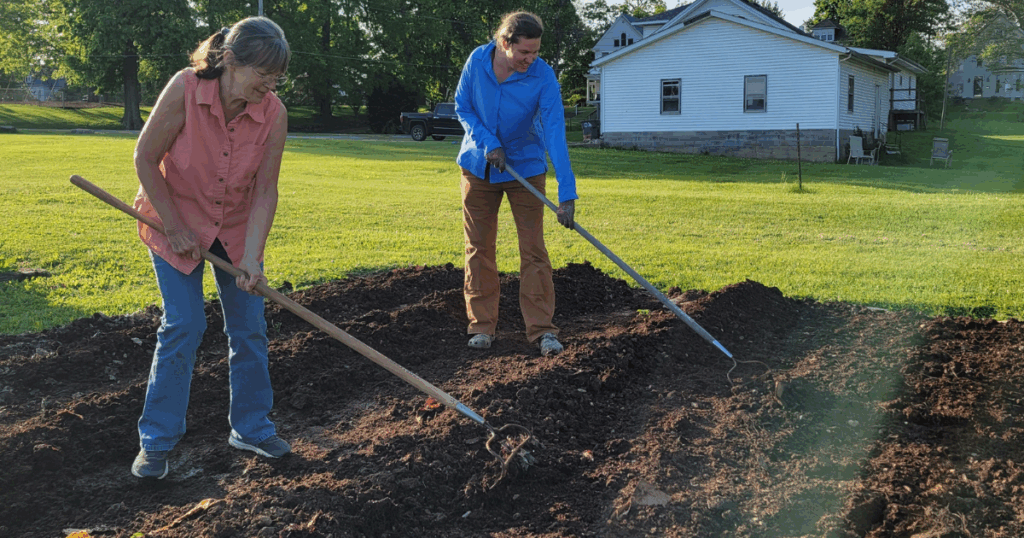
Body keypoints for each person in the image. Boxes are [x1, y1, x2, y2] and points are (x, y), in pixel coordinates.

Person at [129, 16, 291, 479]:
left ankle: (251, 428)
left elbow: (264, 191)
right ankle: (156, 443)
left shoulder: (274, 114)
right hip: (174, 217)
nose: (270, 85)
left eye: (277, 77)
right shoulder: (185, 89)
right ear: (231, 61)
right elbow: (144, 157)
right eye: (263, 74)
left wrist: (252, 258)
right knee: (183, 324)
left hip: (236, 227)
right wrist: (177, 227)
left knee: (250, 326)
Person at [455, 11, 579, 357]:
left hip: (524, 167)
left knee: (533, 250)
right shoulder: (477, 61)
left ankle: (542, 330)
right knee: (478, 247)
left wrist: (566, 193)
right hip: (478, 167)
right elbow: (463, 107)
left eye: (536, 52)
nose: (531, 59)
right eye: (525, 52)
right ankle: (481, 326)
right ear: (504, 42)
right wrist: (487, 142)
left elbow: (555, 133)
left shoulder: (543, 76)